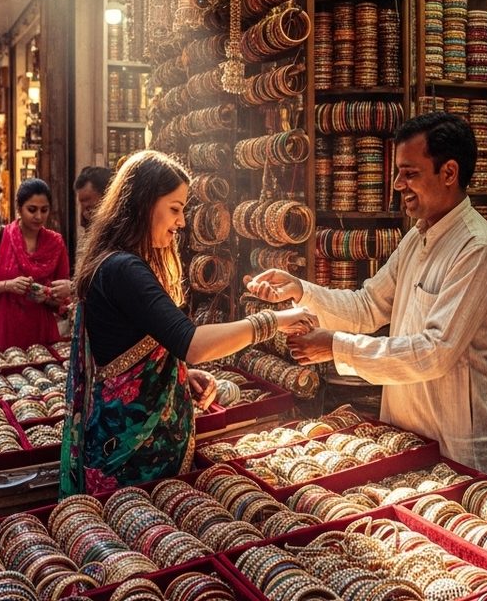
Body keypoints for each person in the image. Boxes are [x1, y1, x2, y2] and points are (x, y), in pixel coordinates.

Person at [247, 112, 487, 473]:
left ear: (449, 173)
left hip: (456, 447)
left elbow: (435, 352)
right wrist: (301, 290)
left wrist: (336, 346)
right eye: (398, 172)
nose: (398, 184)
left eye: (410, 173)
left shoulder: (477, 249)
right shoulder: (418, 238)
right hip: (406, 437)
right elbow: (367, 305)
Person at [60, 150, 315, 496]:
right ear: (144, 203)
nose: (181, 223)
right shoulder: (125, 269)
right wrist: (274, 320)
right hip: (133, 456)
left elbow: (130, 347)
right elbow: (191, 343)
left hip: (122, 441)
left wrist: (175, 373)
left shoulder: (117, 263)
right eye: (175, 209)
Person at [0, 178, 72, 349]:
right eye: (32, 210)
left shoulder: (55, 243)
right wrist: (8, 285)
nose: (38, 216)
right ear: (19, 208)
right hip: (3, 328)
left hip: (40, 330)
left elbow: (62, 300)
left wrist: (47, 295)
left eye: (44, 210)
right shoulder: (0, 236)